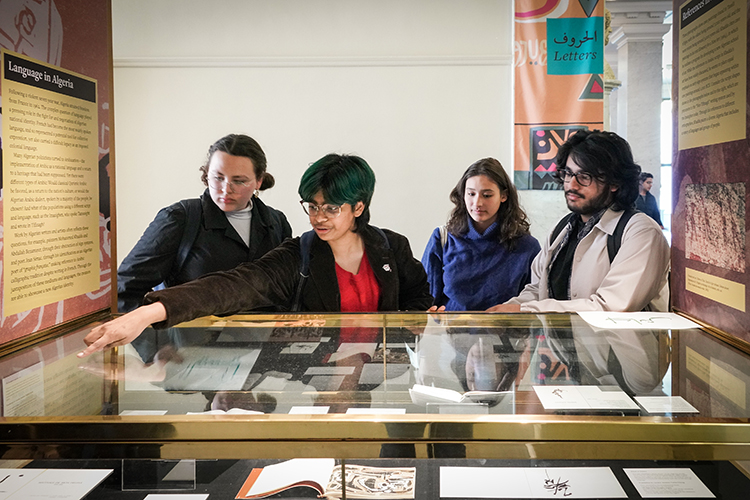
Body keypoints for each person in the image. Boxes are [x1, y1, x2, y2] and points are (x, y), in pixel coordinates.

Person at [79, 154, 432, 357]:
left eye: (331, 208)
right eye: (312, 206)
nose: (317, 217)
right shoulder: (299, 255)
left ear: (358, 206)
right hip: (314, 377)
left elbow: (419, 298)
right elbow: (233, 285)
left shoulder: (391, 247)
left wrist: (413, 324)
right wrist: (148, 313)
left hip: (381, 376)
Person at [487, 130, 670, 313]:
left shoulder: (641, 232)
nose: (572, 185)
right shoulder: (562, 229)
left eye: (585, 177)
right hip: (563, 342)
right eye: (568, 173)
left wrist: (525, 310)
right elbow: (537, 290)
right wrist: (510, 310)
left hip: (625, 342)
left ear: (615, 182)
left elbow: (611, 306)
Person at [117, 134, 292, 313]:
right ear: (206, 174)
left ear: (259, 181)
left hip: (263, 339)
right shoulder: (179, 218)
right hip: (191, 340)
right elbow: (125, 288)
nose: (226, 189)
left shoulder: (277, 222)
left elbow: (288, 291)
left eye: (239, 181)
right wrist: (156, 339)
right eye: (218, 177)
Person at [422, 158, 540, 311]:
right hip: (451, 333)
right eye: (471, 194)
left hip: (506, 334)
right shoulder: (443, 238)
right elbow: (425, 299)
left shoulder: (527, 246)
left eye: (487, 195)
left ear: (503, 196)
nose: (477, 203)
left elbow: (534, 304)